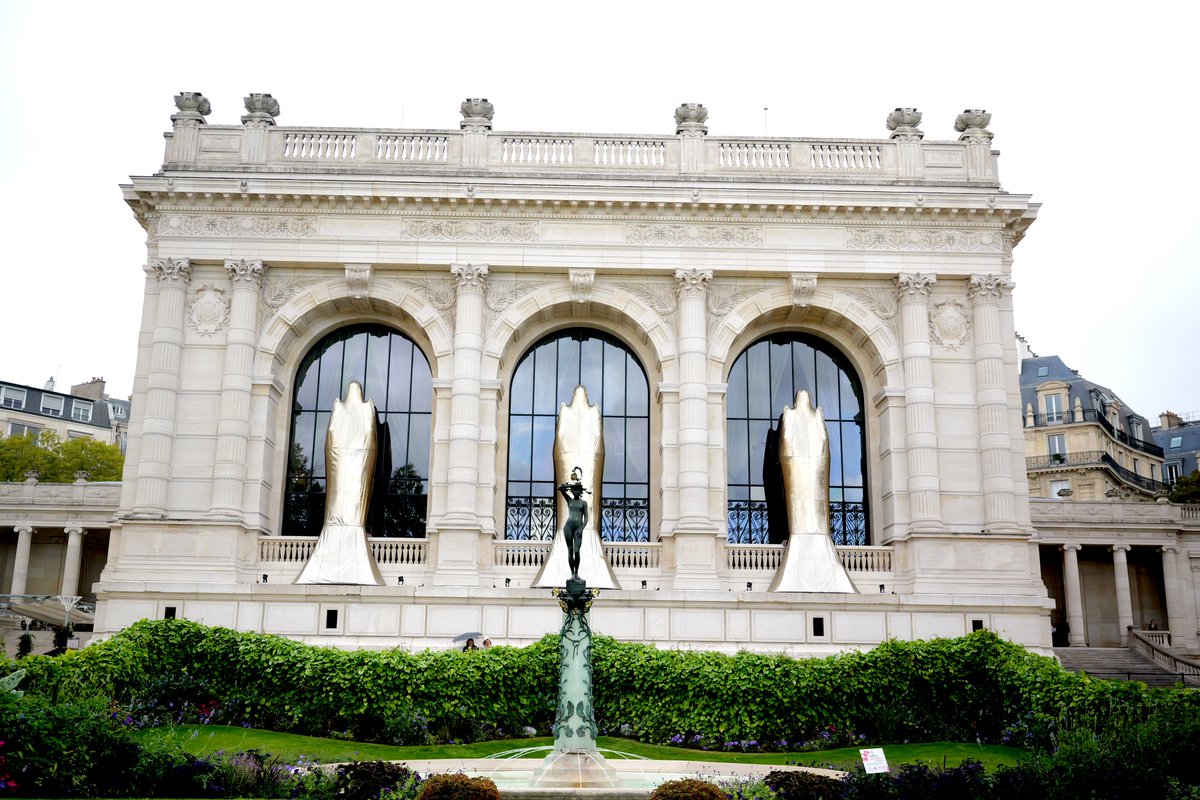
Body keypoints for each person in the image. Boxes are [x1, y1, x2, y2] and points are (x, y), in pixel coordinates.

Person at [559, 467, 590, 580]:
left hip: (578, 528)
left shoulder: (583, 503)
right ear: (572, 491)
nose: (576, 492)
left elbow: (586, 518)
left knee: (577, 551)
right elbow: (560, 488)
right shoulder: (570, 501)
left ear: (580, 491)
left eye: (577, 490)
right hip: (568, 527)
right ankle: (572, 573)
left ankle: (577, 572)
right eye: (574, 490)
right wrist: (570, 485)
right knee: (570, 550)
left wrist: (581, 529)